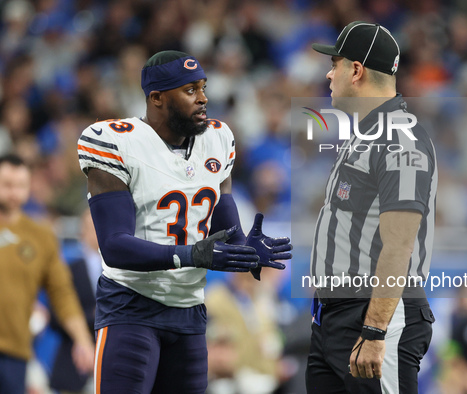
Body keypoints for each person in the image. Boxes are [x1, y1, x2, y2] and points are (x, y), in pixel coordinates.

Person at [77, 50, 291, 394]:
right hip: (131, 306)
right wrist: (190, 255)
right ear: (157, 98)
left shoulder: (217, 139)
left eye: (203, 87)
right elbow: (114, 245)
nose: (204, 98)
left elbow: (226, 231)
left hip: (190, 311)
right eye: (190, 90)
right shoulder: (115, 141)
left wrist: (244, 249)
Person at [305, 22, 438, 393]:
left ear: (357, 70)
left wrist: (375, 330)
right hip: (332, 319)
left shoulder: (400, 138)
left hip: (373, 316)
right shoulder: (366, 131)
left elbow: (400, 244)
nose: (329, 74)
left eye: (336, 63)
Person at [0, 154, 95, 394]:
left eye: (20, 185)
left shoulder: (41, 236)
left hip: (14, 351)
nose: (14, 193)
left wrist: (82, 339)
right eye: (7, 185)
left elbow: (62, 293)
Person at [49, 209, 101, 394]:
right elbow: (55, 316)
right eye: (93, 228)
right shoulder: (68, 271)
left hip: (111, 364)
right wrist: (92, 316)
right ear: (82, 232)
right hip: (72, 366)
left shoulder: (123, 273)